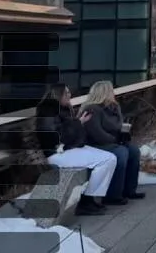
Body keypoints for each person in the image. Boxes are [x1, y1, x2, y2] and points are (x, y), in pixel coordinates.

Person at [35, 83, 117, 216]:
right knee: (107, 160)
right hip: (57, 154)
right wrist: (79, 122)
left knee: (111, 158)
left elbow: (69, 132)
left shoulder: (63, 108)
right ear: (59, 95)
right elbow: (56, 137)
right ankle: (86, 202)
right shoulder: (48, 111)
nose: (70, 95)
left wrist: (79, 123)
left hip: (69, 149)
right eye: (66, 93)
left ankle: (88, 199)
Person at [80, 80, 144, 205]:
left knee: (134, 151)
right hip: (95, 145)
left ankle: (129, 190)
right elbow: (97, 134)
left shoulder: (114, 108)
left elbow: (118, 126)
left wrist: (124, 134)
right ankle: (112, 195)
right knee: (121, 153)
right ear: (104, 93)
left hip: (113, 142)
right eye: (111, 91)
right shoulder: (92, 109)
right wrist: (116, 140)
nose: (113, 94)